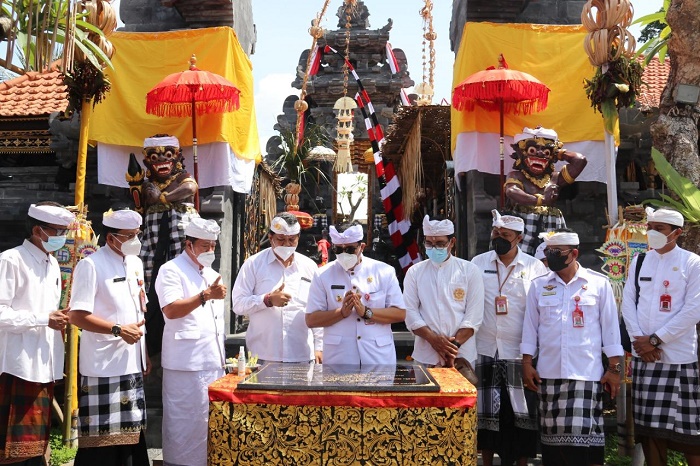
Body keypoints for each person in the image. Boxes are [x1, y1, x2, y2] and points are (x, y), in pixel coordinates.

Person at [521, 228, 623, 466]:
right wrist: (527, 363)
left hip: (585, 374)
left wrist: (614, 369)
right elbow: (530, 328)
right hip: (549, 373)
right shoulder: (538, 286)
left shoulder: (598, 284)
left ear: (574, 253)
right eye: (548, 251)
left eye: (557, 252)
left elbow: (611, 330)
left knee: (585, 446)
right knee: (553, 446)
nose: (551, 256)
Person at [68, 208, 150, 466]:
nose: (135, 240)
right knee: (102, 441)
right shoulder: (90, 265)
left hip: (132, 363)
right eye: (129, 236)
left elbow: (139, 310)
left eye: (138, 234)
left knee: (131, 436)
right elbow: (77, 316)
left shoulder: (135, 263)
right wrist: (117, 329)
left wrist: (143, 353)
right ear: (112, 237)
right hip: (103, 366)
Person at [621, 207, 700, 466]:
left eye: (660, 229)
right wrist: (640, 341)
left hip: (679, 358)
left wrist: (656, 339)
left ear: (677, 233)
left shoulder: (692, 262)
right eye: (650, 227)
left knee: (690, 435)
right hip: (647, 358)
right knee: (649, 431)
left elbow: (694, 309)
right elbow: (628, 303)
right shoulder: (640, 260)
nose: (652, 233)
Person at [0, 202, 74, 465]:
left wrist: (58, 318)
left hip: (45, 361)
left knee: (37, 445)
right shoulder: (11, 259)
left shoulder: (53, 263)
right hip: (18, 363)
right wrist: (44, 319)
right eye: (58, 231)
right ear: (37, 230)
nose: (62, 238)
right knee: (11, 449)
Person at [471, 210, 546, 466]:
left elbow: (538, 313)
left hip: (518, 351)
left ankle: (521, 462)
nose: (498, 238)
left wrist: (533, 354)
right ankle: (488, 462)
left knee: (520, 414)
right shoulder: (478, 263)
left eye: (505, 235)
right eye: (495, 233)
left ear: (519, 238)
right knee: (487, 414)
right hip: (485, 347)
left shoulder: (534, 267)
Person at [155, 217, 227, 466]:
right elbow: (172, 310)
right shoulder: (171, 270)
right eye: (204, 246)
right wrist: (205, 295)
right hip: (185, 364)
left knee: (209, 424)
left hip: (213, 362)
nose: (210, 251)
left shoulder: (212, 273)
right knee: (183, 425)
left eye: (213, 246)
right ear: (189, 245)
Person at [305, 223, 405, 365]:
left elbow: (400, 313)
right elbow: (311, 320)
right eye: (338, 250)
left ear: (362, 247)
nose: (344, 254)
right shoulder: (323, 275)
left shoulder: (383, 272)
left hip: (377, 357)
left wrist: (366, 312)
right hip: (339, 358)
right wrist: (341, 313)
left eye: (350, 250)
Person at [231, 212, 322, 363]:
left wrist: (320, 346)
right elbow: (238, 305)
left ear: (298, 238)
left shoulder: (309, 266)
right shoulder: (253, 264)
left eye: (291, 240)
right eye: (281, 239)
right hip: (263, 355)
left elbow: (318, 307)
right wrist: (267, 300)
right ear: (271, 237)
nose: (286, 244)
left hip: (302, 354)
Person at [403, 215, 484, 370]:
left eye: (440, 244)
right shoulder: (415, 272)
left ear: (451, 242)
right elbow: (410, 312)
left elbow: (474, 315)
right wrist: (434, 340)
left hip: (460, 356)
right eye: (429, 243)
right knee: (424, 395)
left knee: (461, 394)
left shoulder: (469, 271)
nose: (434, 248)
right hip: (426, 353)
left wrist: (452, 347)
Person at [504, 126, 587, 255]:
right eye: (532, 150)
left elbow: (580, 161)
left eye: (547, 152)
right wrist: (541, 200)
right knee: (521, 259)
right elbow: (511, 191)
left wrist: (558, 152)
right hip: (524, 224)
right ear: (521, 153)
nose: (540, 154)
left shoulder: (555, 178)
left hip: (551, 225)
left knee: (552, 258)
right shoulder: (516, 176)